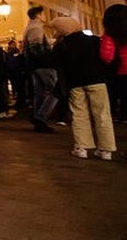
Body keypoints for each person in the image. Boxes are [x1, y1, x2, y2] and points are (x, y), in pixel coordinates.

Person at [48, 16, 116, 160]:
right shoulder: (94, 41)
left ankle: (82, 147)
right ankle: (106, 150)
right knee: (102, 114)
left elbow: (55, 64)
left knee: (79, 115)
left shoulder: (61, 46)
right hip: (97, 80)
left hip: (75, 83)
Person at [23, 7, 56, 133]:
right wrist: (47, 60)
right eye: (43, 14)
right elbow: (35, 48)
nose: (45, 16)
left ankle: (39, 120)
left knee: (39, 92)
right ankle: (40, 116)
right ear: (38, 15)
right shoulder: (36, 28)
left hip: (34, 65)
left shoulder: (30, 27)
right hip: (41, 65)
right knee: (56, 90)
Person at [100, 4, 127, 124]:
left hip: (121, 72)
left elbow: (106, 56)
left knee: (124, 96)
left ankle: (124, 115)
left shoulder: (110, 36)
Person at [5, 39, 27, 110]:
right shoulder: (10, 53)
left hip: (17, 72)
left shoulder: (16, 52)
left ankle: (21, 102)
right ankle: (20, 101)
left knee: (19, 88)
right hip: (14, 72)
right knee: (18, 87)